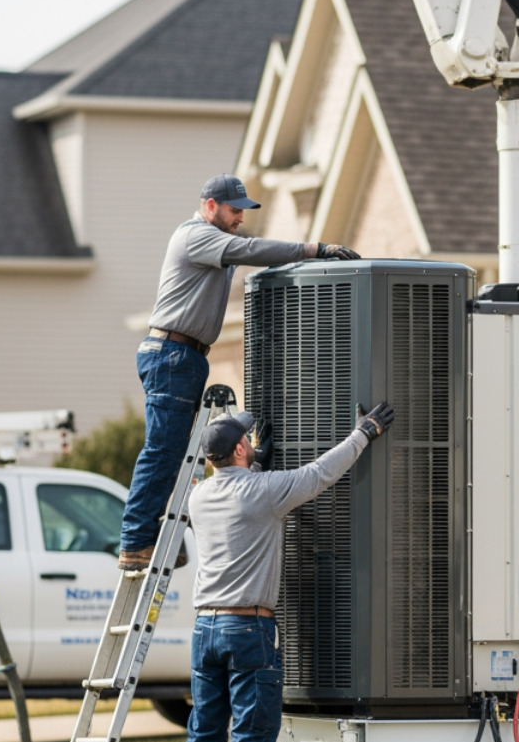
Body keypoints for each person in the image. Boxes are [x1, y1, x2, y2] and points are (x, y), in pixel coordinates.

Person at [178, 401, 396, 742]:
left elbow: (242, 489)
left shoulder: (199, 495)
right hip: (248, 629)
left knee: (205, 732)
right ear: (241, 449)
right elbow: (319, 474)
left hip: (205, 629)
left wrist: (256, 461)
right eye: (246, 439)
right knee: (252, 730)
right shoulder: (262, 491)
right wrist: (364, 433)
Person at [118, 173, 360, 571]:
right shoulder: (195, 236)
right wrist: (315, 250)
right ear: (210, 205)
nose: (240, 219)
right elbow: (249, 249)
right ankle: (135, 541)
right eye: (234, 210)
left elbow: (246, 246)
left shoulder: (213, 238)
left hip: (184, 356)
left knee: (176, 451)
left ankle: (153, 535)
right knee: (162, 449)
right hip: (172, 354)